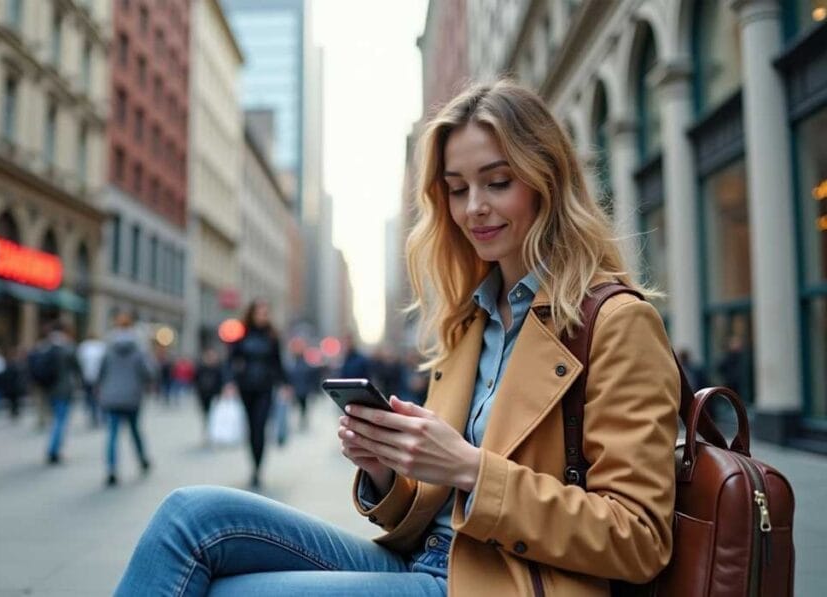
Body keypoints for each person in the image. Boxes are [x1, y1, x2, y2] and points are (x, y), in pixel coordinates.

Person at [115, 80, 681, 596]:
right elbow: (426, 507)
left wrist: (468, 468)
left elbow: (639, 538)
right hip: (426, 561)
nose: (474, 207)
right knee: (189, 517)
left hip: (503, 584)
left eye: (498, 181)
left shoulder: (615, 321)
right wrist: (387, 467)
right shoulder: (470, 321)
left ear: (546, 183)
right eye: (457, 189)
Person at [223, 298, 291, 489]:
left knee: (260, 428)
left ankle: (257, 469)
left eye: (265, 313)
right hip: (246, 387)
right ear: (252, 314)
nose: (262, 316)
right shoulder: (241, 334)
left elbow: (278, 363)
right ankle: (253, 463)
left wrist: (285, 384)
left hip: (265, 388)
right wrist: (229, 382)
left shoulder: (272, 336)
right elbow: (230, 360)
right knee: (251, 429)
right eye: (259, 312)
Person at [96, 313, 153, 486]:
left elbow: (100, 373)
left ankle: (112, 469)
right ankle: (142, 459)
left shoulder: (108, 347)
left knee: (112, 434)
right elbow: (149, 372)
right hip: (132, 397)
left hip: (111, 397)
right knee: (135, 431)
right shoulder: (138, 349)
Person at [35, 320, 82, 465]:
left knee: (56, 419)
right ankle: (53, 450)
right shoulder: (67, 347)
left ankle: (53, 449)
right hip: (64, 389)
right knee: (60, 421)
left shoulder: (46, 346)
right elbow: (77, 368)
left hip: (49, 389)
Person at [193, 347, 224, 446]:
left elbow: (221, 381)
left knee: (214, 416)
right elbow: (196, 380)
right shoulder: (201, 368)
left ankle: (215, 434)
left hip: (214, 395)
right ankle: (209, 434)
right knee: (206, 415)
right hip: (203, 395)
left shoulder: (218, 368)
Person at [77, 333, 106, 427]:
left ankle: (93, 416)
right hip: (99, 378)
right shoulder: (101, 347)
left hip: (87, 377)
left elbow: (79, 363)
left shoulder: (83, 347)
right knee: (99, 398)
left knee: (90, 398)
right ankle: (100, 416)